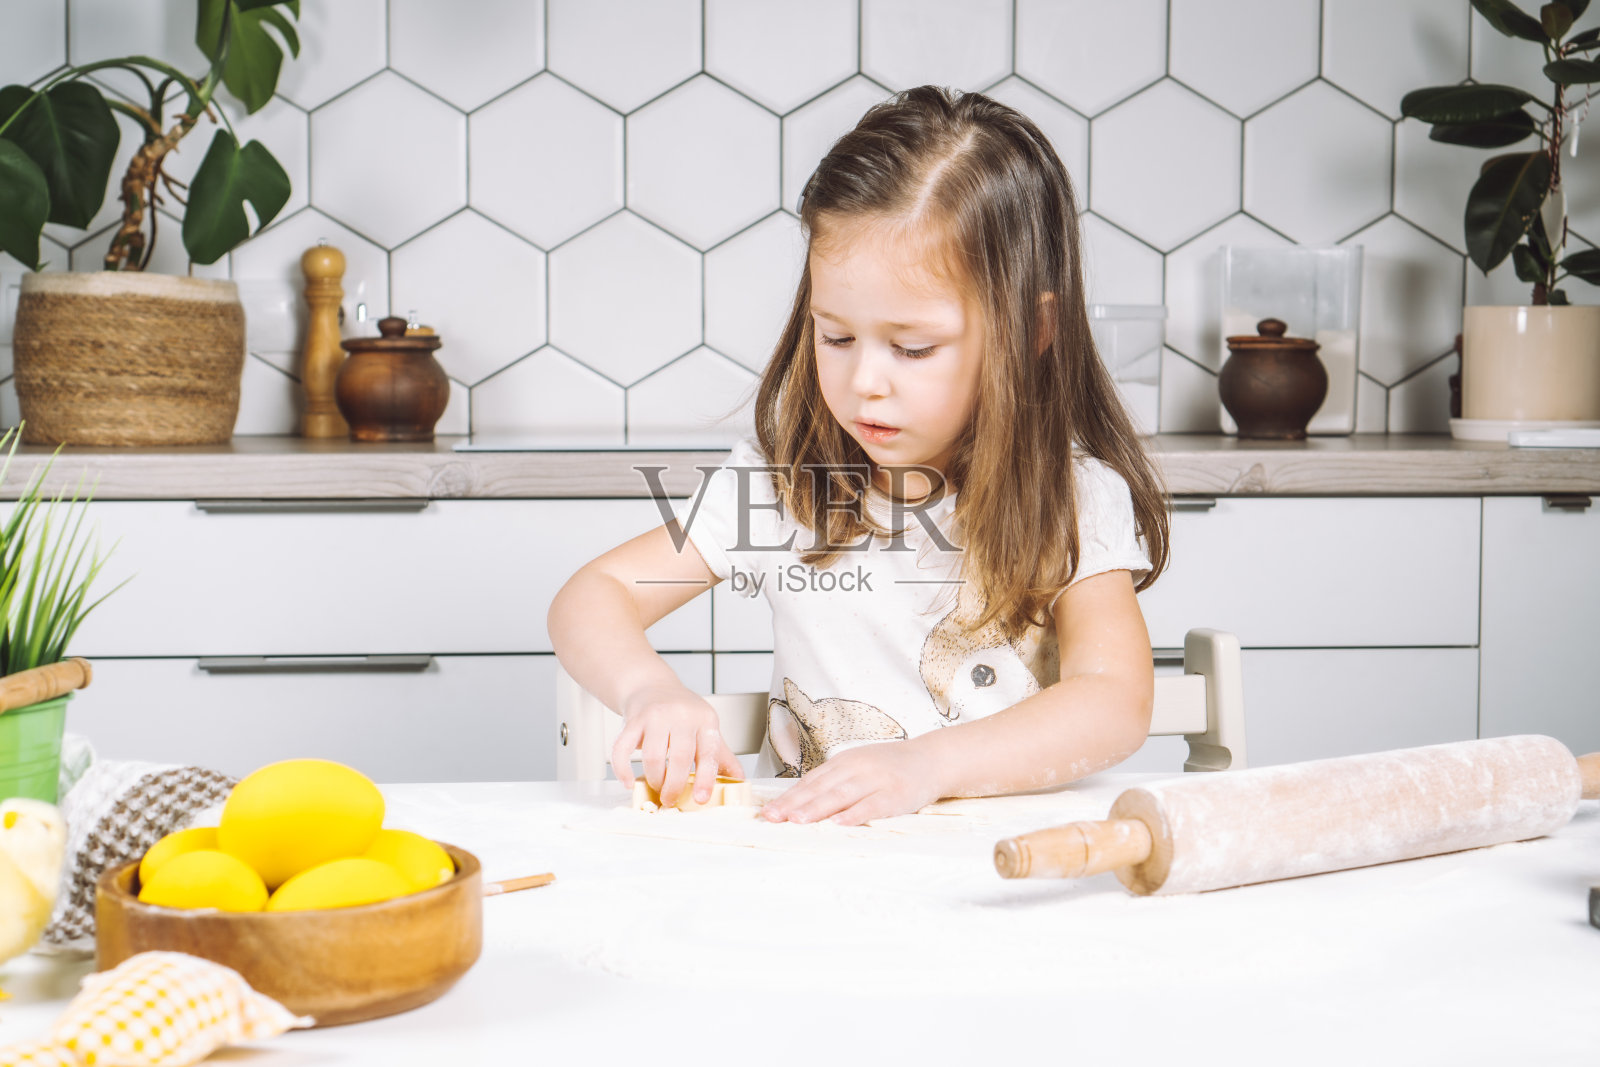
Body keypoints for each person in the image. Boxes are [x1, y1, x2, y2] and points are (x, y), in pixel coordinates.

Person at [547, 84, 1170, 825]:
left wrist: (929, 766)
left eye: (912, 347)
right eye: (835, 336)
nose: (864, 382)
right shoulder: (783, 487)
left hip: (995, 861)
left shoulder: (1071, 499)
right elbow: (592, 595)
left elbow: (1113, 699)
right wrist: (649, 688)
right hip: (812, 867)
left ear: (1030, 331)